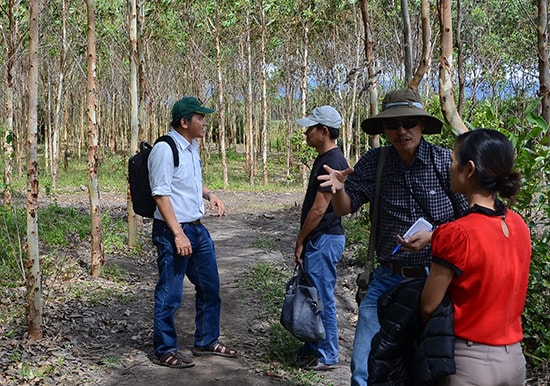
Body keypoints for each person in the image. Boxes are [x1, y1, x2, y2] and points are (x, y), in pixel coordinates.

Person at [318, 88, 468, 386]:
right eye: (392, 125)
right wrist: (337, 190)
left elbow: (469, 224)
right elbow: (346, 207)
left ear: (422, 125)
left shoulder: (443, 162)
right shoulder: (376, 162)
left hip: (436, 279)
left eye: (409, 123)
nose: (401, 131)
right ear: (384, 130)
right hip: (387, 279)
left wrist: (435, 236)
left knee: (428, 369)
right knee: (364, 368)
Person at [420, 129, 531, 386]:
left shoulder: (457, 233)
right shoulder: (518, 224)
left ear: (469, 170)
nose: (449, 167)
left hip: (470, 362)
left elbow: (428, 306)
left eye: (452, 160)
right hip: (514, 359)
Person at [148, 96, 238, 369]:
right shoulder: (164, 149)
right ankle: (165, 349)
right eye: (200, 118)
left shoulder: (192, 146)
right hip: (173, 230)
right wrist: (178, 234)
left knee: (210, 287)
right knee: (170, 293)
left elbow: (190, 182)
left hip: (197, 230)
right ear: (184, 122)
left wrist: (210, 195)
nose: (204, 122)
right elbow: (161, 194)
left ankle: (206, 340)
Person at [293, 106, 349, 371]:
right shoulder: (325, 157)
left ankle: (328, 353)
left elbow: (319, 209)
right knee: (312, 295)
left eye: (311, 128)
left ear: (324, 132)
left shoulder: (333, 162)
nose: (306, 133)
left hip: (324, 239)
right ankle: (314, 344)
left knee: (321, 297)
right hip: (321, 239)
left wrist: (301, 240)